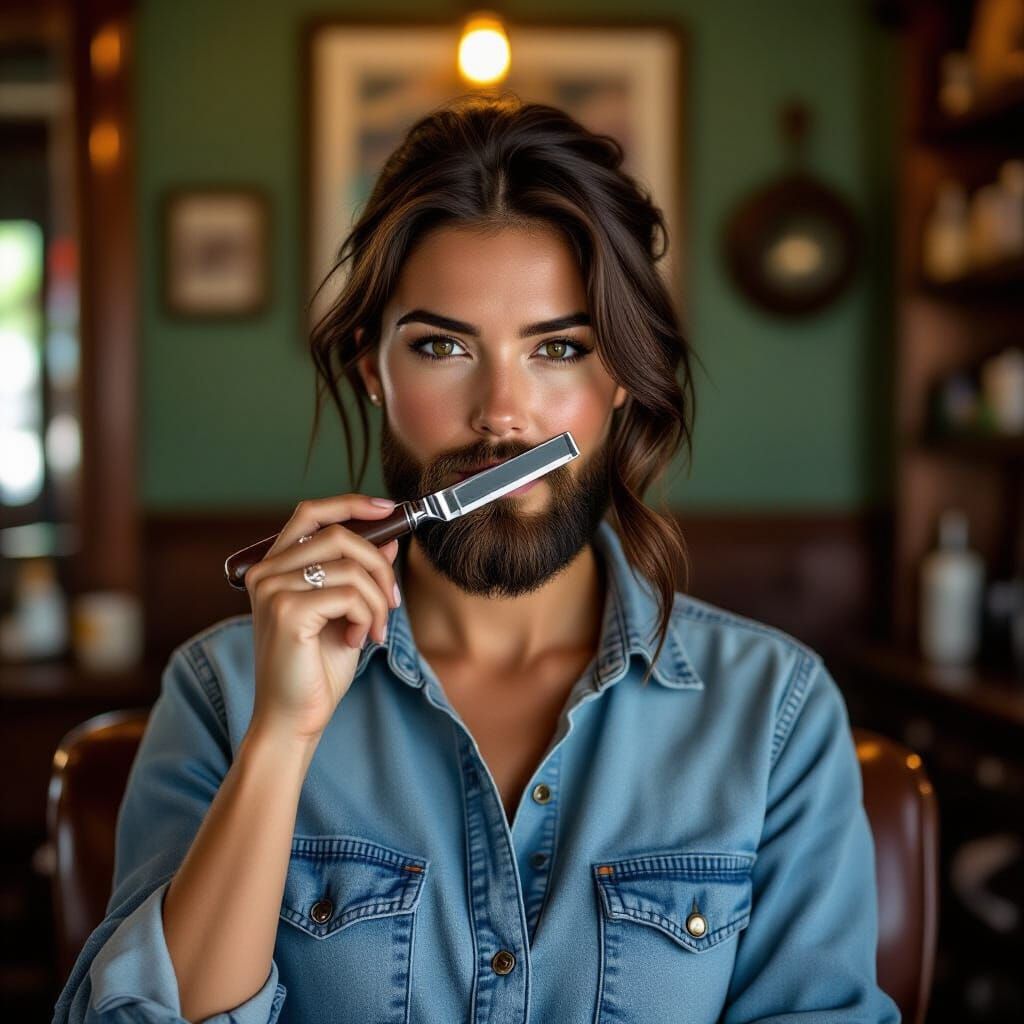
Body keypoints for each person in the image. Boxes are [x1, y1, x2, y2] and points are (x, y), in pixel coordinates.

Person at [53, 93, 901, 1024]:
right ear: (374, 369)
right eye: (444, 345)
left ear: (617, 378)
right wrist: (281, 739)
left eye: (559, 349)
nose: (503, 414)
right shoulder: (221, 692)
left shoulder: (775, 714)